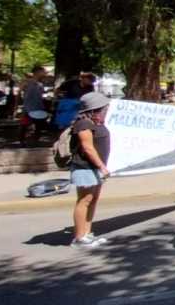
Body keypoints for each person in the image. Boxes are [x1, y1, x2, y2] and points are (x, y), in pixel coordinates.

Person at [69, 92, 112, 249]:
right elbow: (87, 148)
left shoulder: (96, 122)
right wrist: (101, 166)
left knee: (93, 200)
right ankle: (79, 238)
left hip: (95, 168)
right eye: (104, 107)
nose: (107, 109)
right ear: (96, 108)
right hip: (85, 167)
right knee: (84, 201)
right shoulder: (83, 124)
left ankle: (87, 233)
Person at [19, 66, 48, 147]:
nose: (44, 73)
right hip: (28, 108)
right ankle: (22, 141)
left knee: (39, 126)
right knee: (24, 125)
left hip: (39, 107)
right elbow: (19, 93)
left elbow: (41, 96)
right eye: (43, 71)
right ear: (37, 72)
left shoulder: (41, 84)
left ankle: (35, 141)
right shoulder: (27, 82)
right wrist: (17, 106)